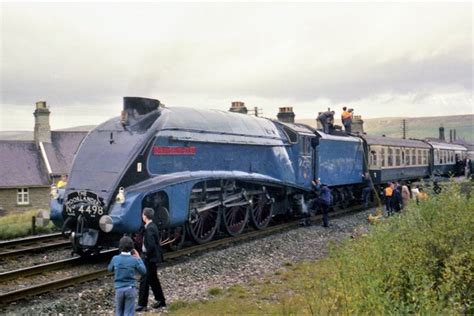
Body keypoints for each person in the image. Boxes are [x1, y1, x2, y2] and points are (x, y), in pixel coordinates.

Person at [137, 208, 167, 311]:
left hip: (149, 258)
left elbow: (150, 245)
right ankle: (161, 300)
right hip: (152, 258)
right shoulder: (151, 226)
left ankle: (142, 304)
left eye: (142, 215)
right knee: (153, 279)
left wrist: (145, 255)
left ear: (144, 216)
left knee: (144, 280)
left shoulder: (149, 229)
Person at [108, 236, 146, 316]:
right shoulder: (134, 259)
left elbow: (110, 269)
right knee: (128, 313)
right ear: (132, 247)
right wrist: (139, 258)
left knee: (119, 312)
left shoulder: (115, 258)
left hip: (119, 289)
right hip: (130, 288)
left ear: (120, 246)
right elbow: (143, 271)